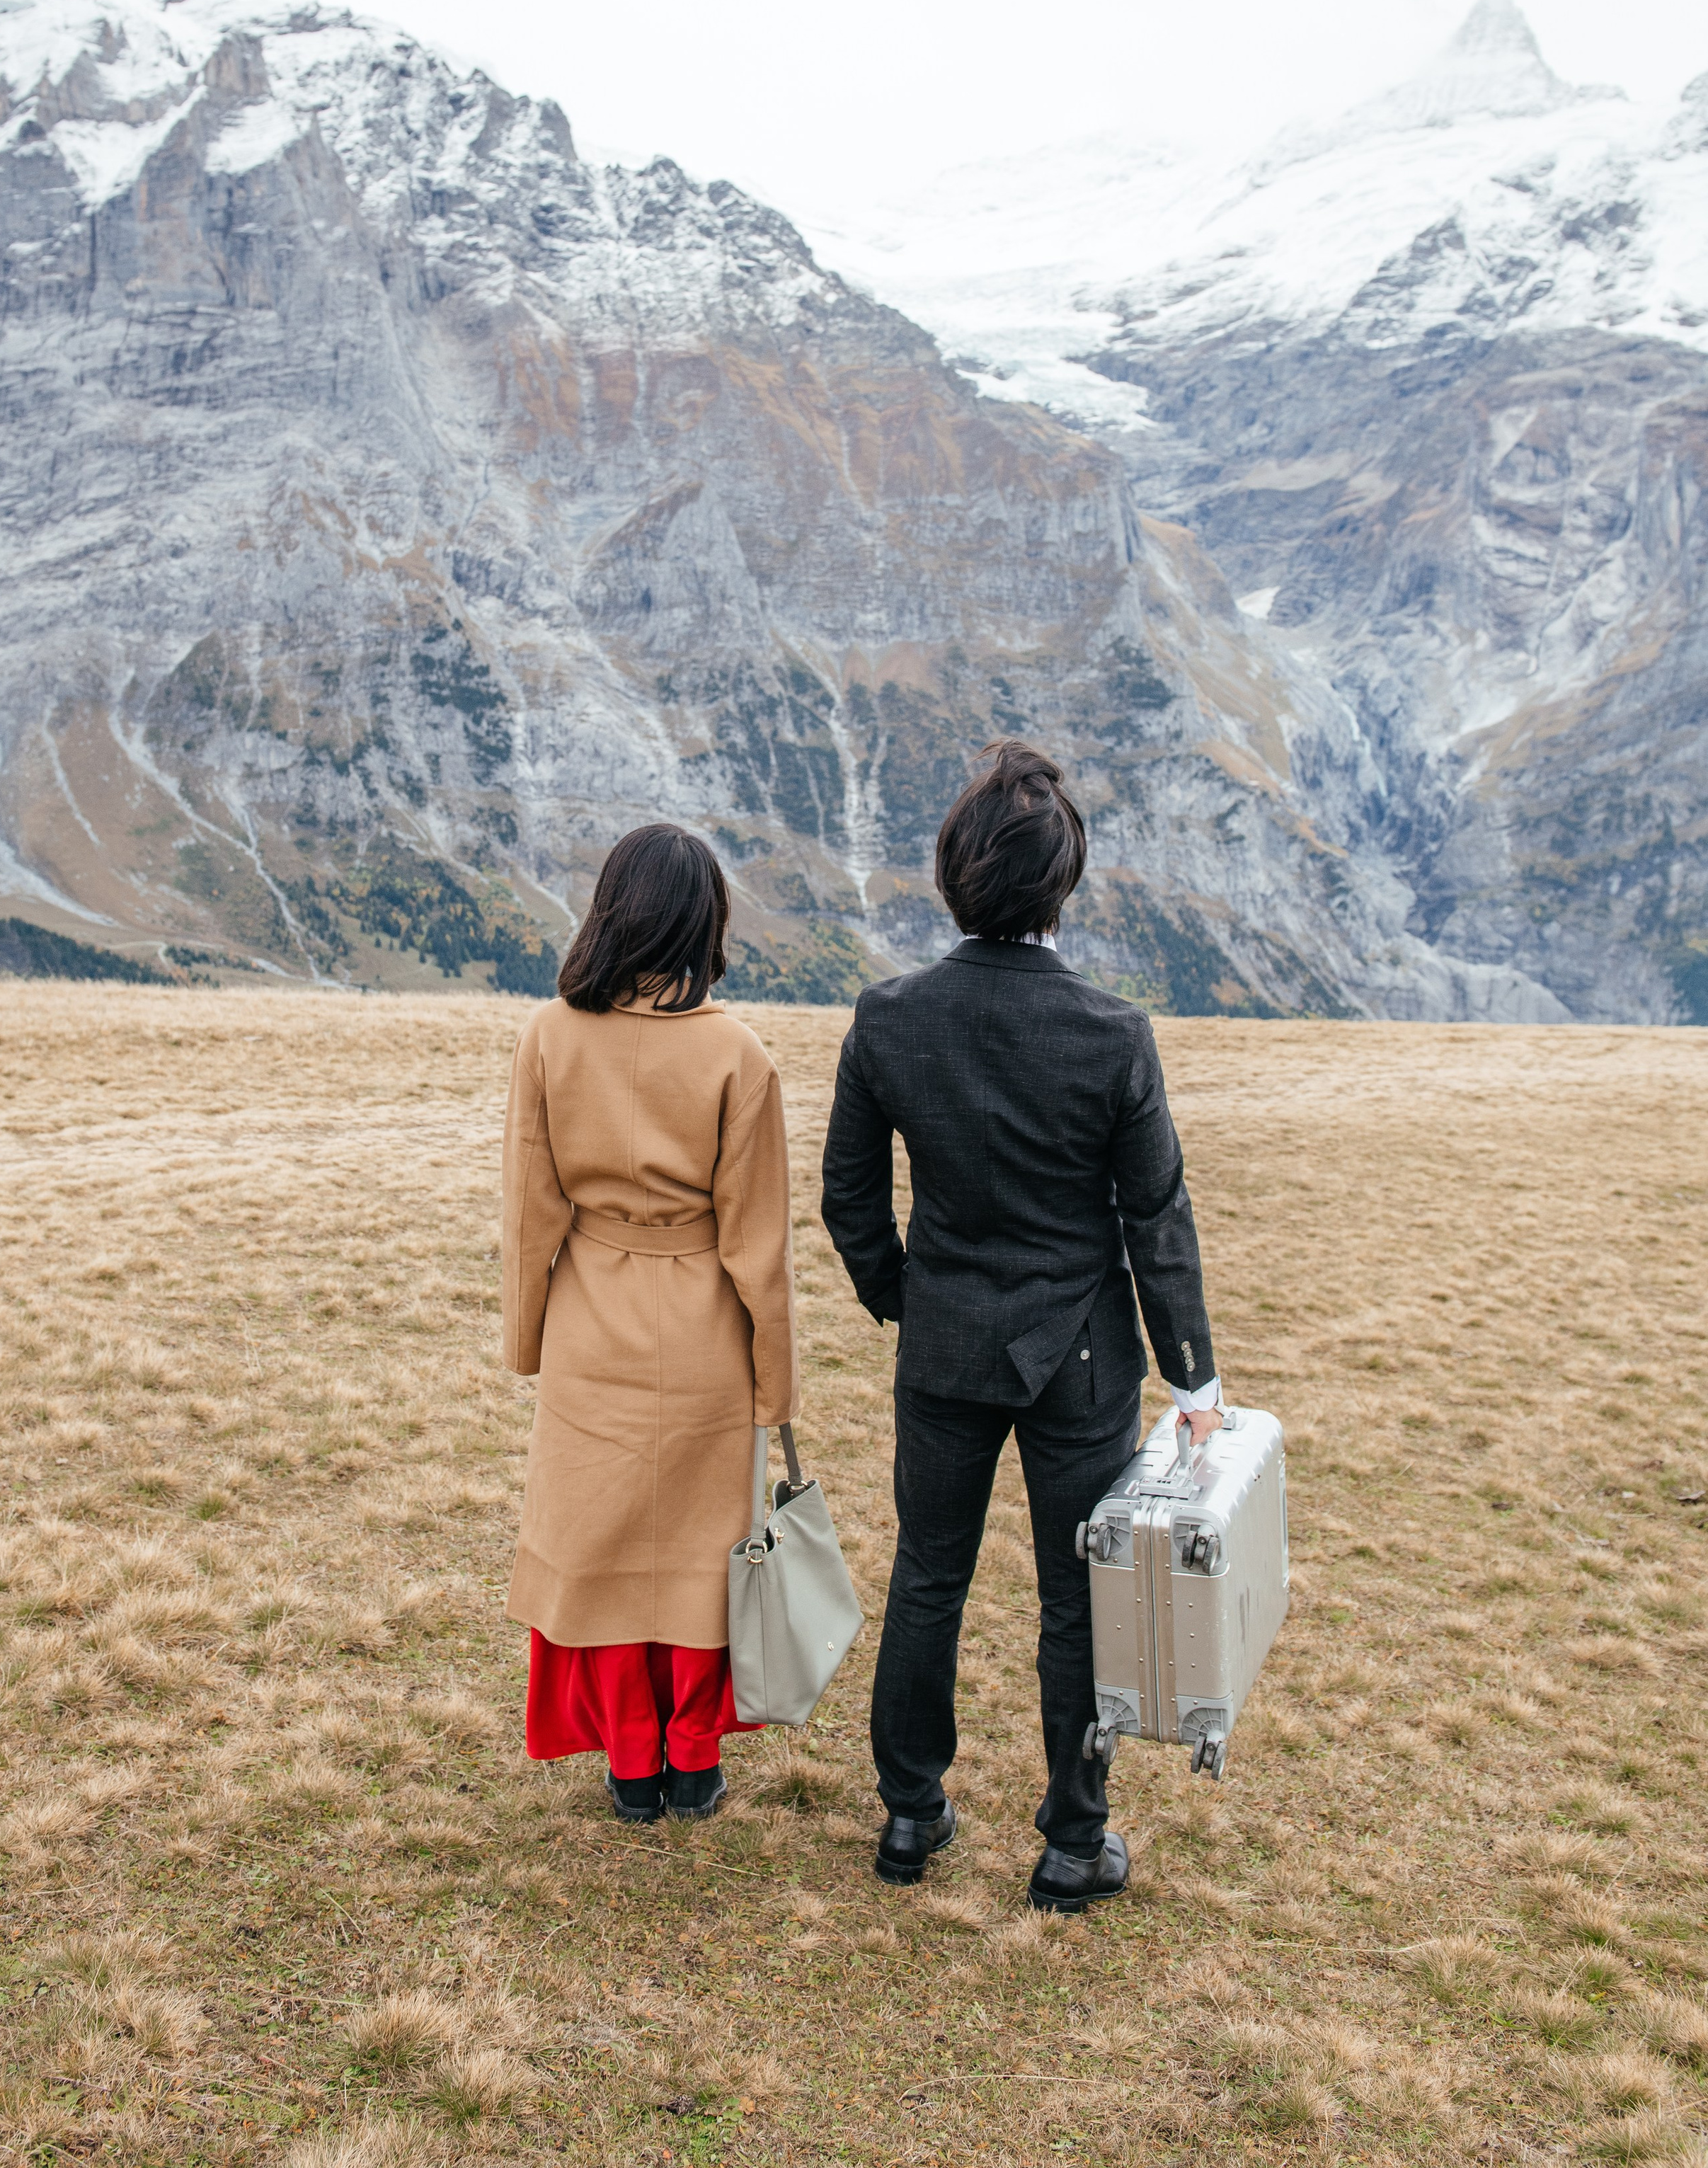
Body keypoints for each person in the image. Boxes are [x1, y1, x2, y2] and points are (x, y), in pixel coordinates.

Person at [820, 741, 1222, 1912]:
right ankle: (1071, 1838)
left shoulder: (889, 1018)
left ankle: (910, 1811)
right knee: (1076, 1596)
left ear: (954, 874)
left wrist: (907, 1296)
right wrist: (1193, 1381)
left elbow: (850, 1197)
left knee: (928, 1576)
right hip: (1081, 1359)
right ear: (1065, 882)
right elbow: (1156, 1215)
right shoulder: (1112, 1033)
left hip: (943, 1342)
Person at [501, 823, 798, 1823]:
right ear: (703, 920)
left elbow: (530, 1211)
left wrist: (526, 1337)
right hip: (704, 1327)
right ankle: (695, 1762)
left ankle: (630, 1766)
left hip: (591, 1320)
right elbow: (760, 1246)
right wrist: (776, 1386)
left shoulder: (548, 1035)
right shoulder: (739, 1053)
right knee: (704, 1556)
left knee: (605, 1549)